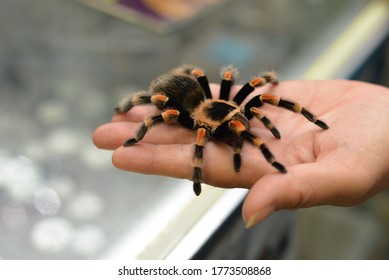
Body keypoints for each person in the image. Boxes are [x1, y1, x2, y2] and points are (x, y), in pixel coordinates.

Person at [93, 79, 389, 228]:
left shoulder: (242, 107)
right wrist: (198, 170)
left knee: (261, 96)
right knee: (158, 105)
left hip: (208, 103)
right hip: (192, 106)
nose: (246, 120)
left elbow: (261, 88)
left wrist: (308, 118)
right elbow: (194, 132)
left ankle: (312, 119)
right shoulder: (195, 122)